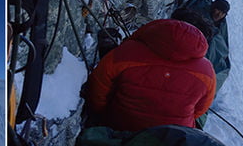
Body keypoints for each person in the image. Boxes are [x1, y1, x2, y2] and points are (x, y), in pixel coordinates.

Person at [86, 19, 216, 132]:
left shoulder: (127, 52)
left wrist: (101, 112)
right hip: (173, 138)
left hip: (122, 127)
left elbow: (98, 85)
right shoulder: (207, 71)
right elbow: (200, 110)